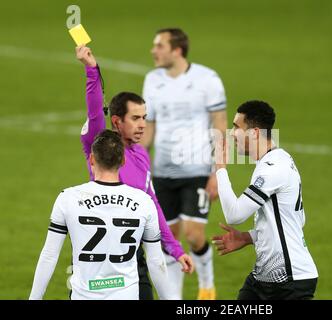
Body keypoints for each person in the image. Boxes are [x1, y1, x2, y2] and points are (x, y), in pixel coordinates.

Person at [76, 45, 193, 300]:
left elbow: (152, 204)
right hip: (98, 259)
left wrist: (174, 248)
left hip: (134, 255)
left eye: (145, 117)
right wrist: (91, 69)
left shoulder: (141, 153)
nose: (143, 124)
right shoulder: (99, 144)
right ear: (117, 121)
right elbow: (95, 111)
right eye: (136, 118)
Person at [29, 129, 177, 300]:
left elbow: (49, 255)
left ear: (92, 159)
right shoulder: (144, 202)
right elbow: (156, 262)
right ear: (123, 161)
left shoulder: (68, 198)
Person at [141, 28, 227, 300]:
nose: (154, 51)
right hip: (163, 173)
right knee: (169, 237)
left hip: (197, 170)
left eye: (159, 46)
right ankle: (174, 298)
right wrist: (140, 167)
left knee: (193, 233)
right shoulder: (152, 80)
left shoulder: (207, 79)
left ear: (177, 50)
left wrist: (218, 172)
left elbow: (220, 126)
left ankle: (207, 285)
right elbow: (149, 126)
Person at [212, 100, 319, 300]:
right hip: (263, 278)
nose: (232, 133)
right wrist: (247, 237)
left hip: (290, 281)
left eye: (236, 127)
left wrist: (220, 168)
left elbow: (234, 215)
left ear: (254, 133)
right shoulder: (278, 159)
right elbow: (295, 221)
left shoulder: (273, 168)